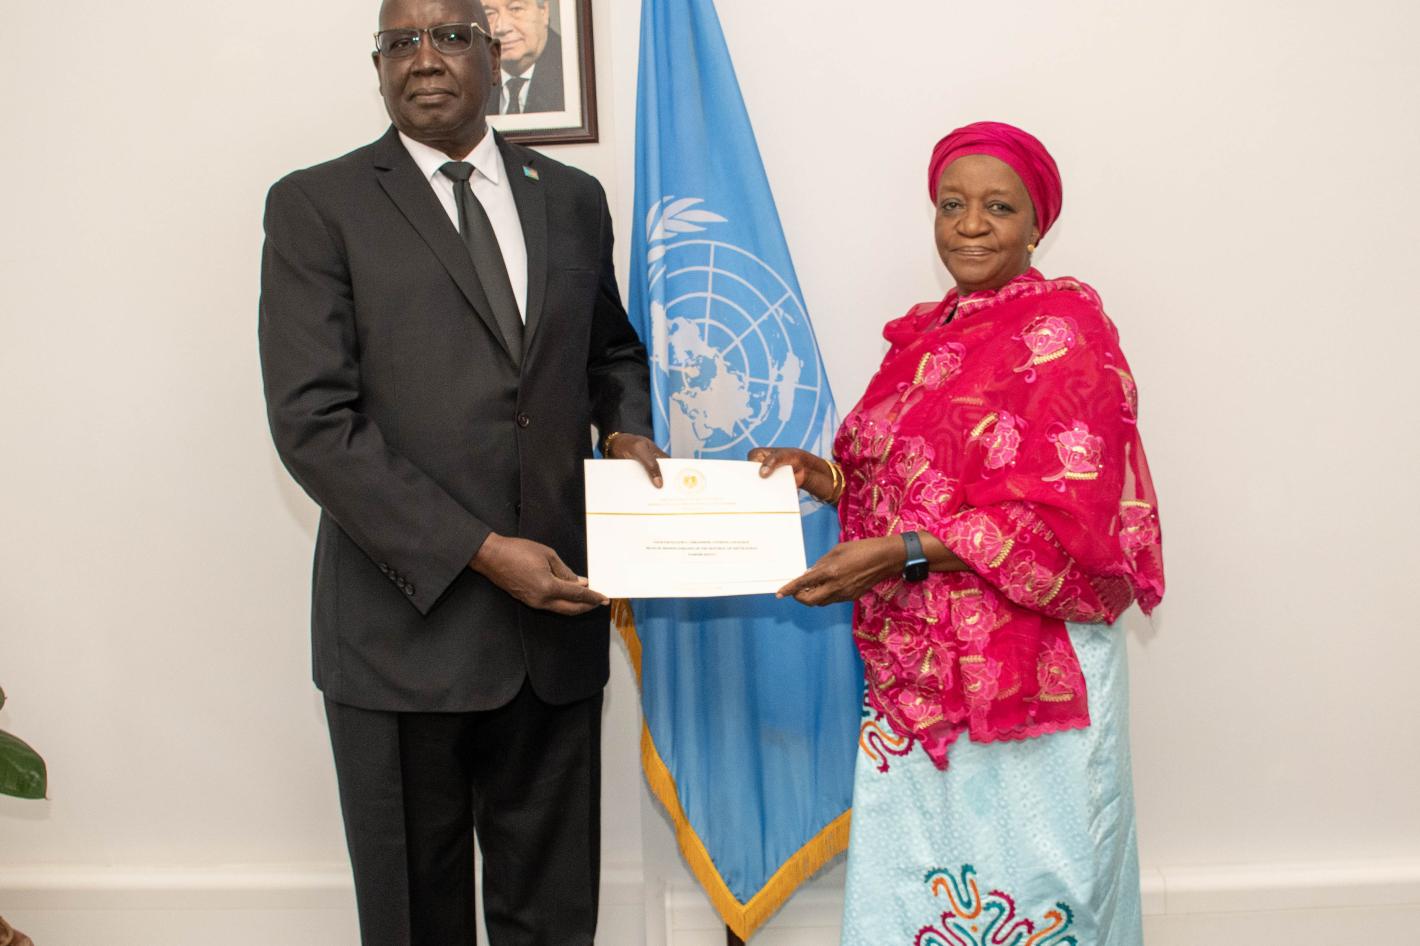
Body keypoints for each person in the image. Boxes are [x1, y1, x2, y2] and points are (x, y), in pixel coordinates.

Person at [257, 0, 665, 941]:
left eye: (448, 36)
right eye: (400, 43)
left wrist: (628, 431)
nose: (424, 59)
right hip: (401, 635)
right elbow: (313, 423)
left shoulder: (569, 198)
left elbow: (610, 352)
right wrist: (482, 551)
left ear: (493, 55)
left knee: (554, 916)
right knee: (414, 921)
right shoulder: (317, 205)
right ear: (379, 65)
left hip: (554, 631)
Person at [750, 121, 1165, 945]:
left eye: (997, 206)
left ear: (1037, 223)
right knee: (919, 887)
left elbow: (1064, 513)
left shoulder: (1068, 334)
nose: (970, 224)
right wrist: (824, 476)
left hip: (1036, 669)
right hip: (923, 666)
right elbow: (901, 483)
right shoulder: (926, 339)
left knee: (1038, 888)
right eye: (951, 204)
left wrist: (902, 554)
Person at [484, 0, 564, 114]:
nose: (501, 27)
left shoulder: (573, 73)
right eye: (489, 14)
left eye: (515, 9)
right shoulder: (474, 78)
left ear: (543, 12)